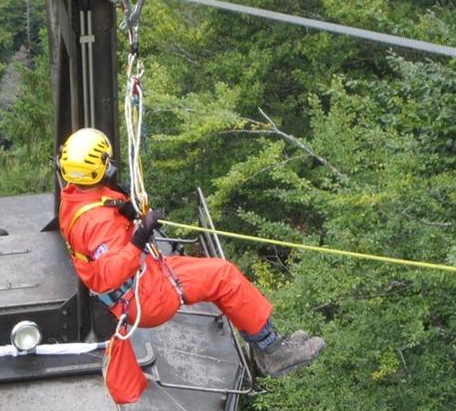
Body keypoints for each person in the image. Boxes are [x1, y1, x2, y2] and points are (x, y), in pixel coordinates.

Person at [57, 128, 325, 378]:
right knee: (224, 277)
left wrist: (123, 208)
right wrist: (140, 237)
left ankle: (264, 343)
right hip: (144, 295)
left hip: (139, 281)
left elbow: (98, 223)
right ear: (97, 171)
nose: (111, 167)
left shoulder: (73, 196)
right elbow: (111, 272)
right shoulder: (98, 222)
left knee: (220, 275)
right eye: (107, 163)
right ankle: (272, 351)